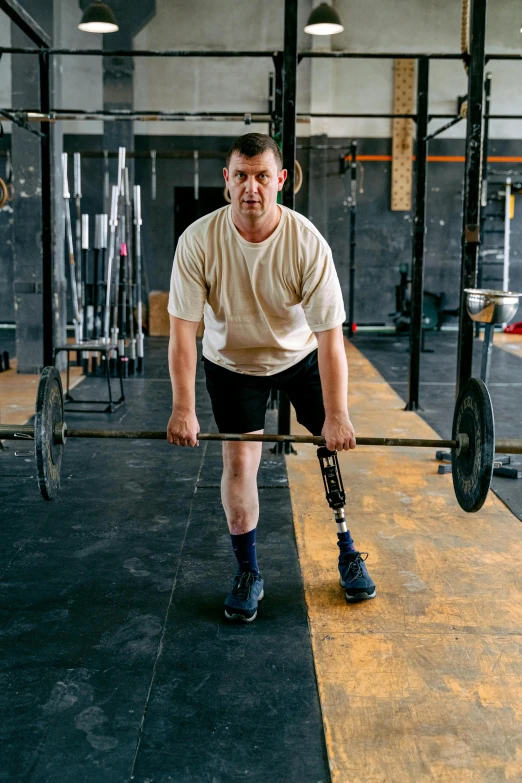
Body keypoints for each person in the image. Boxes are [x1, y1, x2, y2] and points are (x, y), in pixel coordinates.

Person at [167, 133, 376, 622]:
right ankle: (248, 571)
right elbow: (182, 335)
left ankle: (347, 549)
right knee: (239, 463)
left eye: (262, 176)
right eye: (241, 176)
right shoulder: (199, 241)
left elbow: (329, 339)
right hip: (231, 363)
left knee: (330, 445)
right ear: (227, 180)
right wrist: (182, 407)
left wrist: (338, 415)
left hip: (298, 356)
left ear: (280, 180)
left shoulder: (306, 243)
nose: (251, 188)